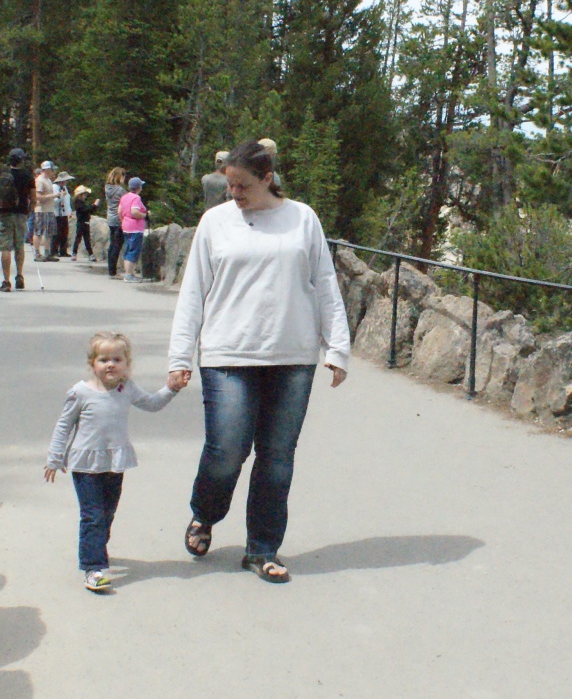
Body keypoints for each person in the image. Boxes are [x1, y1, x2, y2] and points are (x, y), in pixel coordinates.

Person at [168, 140, 350, 583]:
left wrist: (337, 348)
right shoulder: (215, 222)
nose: (234, 193)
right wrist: (180, 356)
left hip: (292, 355)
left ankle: (263, 548)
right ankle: (205, 513)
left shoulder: (302, 218)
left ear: (268, 178)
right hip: (228, 352)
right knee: (227, 450)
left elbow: (325, 282)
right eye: (229, 185)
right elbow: (193, 291)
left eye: (243, 185)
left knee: (277, 455)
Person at [45, 332, 178, 592]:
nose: (110, 365)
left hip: (114, 463)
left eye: (117, 359)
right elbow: (64, 425)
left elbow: (152, 404)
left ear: (127, 364)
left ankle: (96, 546)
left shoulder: (126, 389)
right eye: (103, 359)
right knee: (93, 515)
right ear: (92, 363)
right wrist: (55, 457)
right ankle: (92, 568)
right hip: (85, 465)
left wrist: (171, 389)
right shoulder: (80, 393)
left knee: (107, 512)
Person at [0, 148, 37, 291]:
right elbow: (33, 197)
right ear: (21, 160)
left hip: (5, 213)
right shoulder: (27, 175)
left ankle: (6, 281)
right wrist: (30, 211)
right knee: (19, 246)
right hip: (21, 213)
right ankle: (19, 276)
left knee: (6, 248)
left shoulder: (2, 174)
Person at [117, 176, 149, 283]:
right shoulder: (136, 198)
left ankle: (129, 273)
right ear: (139, 188)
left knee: (128, 250)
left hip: (126, 226)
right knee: (133, 251)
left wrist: (123, 220)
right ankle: (128, 275)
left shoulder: (124, 197)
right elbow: (134, 212)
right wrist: (145, 215)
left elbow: (119, 211)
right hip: (135, 228)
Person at [32, 161, 61, 262]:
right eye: (52, 170)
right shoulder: (40, 180)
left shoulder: (48, 180)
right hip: (41, 210)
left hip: (49, 209)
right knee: (39, 232)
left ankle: (47, 253)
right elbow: (38, 196)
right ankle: (37, 253)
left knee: (49, 232)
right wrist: (54, 195)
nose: (53, 172)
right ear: (47, 169)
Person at [103, 168, 128, 278]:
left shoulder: (107, 188)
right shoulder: (120, 190)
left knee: (112, 244)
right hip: (119, 219)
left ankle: (111, 269)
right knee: (117, 246)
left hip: (110, 218)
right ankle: (113, 272)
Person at [71, 184, 96, 259]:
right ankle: (74, 253)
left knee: (87, 239)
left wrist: (93, 207)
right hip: (81, 223)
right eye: (84, 194)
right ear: (80, 195)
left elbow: (89, 210)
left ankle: (90, 254)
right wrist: (94, 205)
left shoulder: (82, 203)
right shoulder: (78, 203)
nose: (85, 196)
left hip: (86, 223)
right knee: (78, 238)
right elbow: (85, 210)